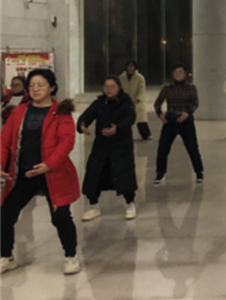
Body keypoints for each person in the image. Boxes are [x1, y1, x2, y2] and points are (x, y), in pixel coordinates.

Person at [1, 69, 81, 275]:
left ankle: (71, 256)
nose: (35, 89)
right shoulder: (19, 112)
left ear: (52, 87)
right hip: (23, 174)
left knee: (60, 217)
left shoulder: (61, 113)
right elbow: (4, 140)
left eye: (40, 85)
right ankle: (6, 256)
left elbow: (66, 142)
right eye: (32, 86)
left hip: (52, 174)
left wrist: (49, 164)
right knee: (5, 214)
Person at [77, 76, 138, 221]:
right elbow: (87, 115)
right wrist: (82, 125)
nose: (109, 89)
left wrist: (118, 128)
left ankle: (130, 204)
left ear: (119, 88)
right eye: (106, 87)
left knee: (124, 174)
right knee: (94, 174)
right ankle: (93, 206)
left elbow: (131, 117)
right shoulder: (99, 103)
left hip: (121, 147)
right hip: (101, 146)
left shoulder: (126, 102)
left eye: (112, 86)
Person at [153, 64, 204, 184]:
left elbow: (195, 103)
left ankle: (199, 172)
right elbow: (157, 103)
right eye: (175, 72)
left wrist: (187, 113)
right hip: (170, 121)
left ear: (185, 74)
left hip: (186, 122)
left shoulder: (191, 87)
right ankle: (160, 174)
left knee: (192, 148)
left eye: (180, 72)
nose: (177, 74)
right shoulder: (167, 88)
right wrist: (160, 114)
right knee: (163, 148)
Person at [119, 61, 152, 140]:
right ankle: (123, 135)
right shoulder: (121, 77)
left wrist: (138, 99)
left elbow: (142, 89)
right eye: (129, 66)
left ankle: (146, 135)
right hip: (125, 102)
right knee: (125, 120)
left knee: (141, 120)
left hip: (137, 102)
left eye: (132, 66)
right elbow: (119, 89)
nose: (130, 68)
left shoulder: (140, 77)